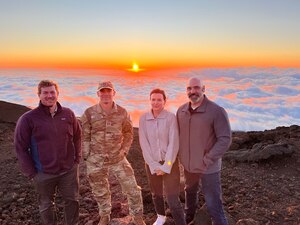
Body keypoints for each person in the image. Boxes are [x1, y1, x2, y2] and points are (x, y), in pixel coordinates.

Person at [14, 80, 82, 225]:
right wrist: (32, 172)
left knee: (72, 201)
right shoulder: (28, 119)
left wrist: (77, 159)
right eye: (45, 93)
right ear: (39, 95)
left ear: (58, 94)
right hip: (43, 173)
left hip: (68, 170)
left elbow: (77, 136)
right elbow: (20, 147)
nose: (49, 96)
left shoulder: (68, 114)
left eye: (52, 92)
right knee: (46, 205)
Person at [81, 81, 145, 225]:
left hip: (117, 157)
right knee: (100, 189)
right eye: (102, 92)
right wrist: (87, 155)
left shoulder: (122, 112)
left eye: (108, 91)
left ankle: (138, 218)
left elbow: (128, 133)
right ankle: (104, 215)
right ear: (98, 94)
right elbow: (85, 135)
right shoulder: (89, 113)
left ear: (113, 93)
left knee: (132, 188)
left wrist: (124, 150)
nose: (105, 94)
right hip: (96, 159)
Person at [176, 77, 232, 225]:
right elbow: (178, 136)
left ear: (203, 89)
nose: (192, 91)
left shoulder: (216, 111)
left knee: (214, 205)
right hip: (189, 166)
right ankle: (189, 219)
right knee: (190, 194)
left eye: (196, 88)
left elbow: (225, 139)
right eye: (189, 88)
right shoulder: (181, 111)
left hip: (209, 168)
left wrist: (207, 159)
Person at [139, 89, 186, 225]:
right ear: (150, 100)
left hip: (170, 164)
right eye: (153, 99)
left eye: (159, 99)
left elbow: (174, 143)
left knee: (172, 199)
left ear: (165, 101)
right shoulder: (143, 119)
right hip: (151, 164)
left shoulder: (171, 118)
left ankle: (180, 222)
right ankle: (161, 216)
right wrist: (154, 166)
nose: (156, 102)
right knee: (156, 194)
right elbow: (144, 144)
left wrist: (166, 166)